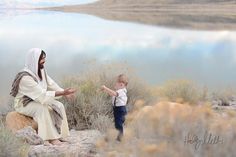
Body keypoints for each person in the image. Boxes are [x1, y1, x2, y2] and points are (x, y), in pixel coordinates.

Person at [10, 48, 76, 145]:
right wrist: (62, 93)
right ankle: (49, 138)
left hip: (37, 99)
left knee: (59, 105)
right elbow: (41, 94)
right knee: (42, 109)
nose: (44, 61)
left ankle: (61, 135)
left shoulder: (40, 70)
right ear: (34, 60)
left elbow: (51, 84)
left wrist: (64, 92)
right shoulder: (25, 77)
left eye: (44, 58)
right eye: (42, 59)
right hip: (23, 103)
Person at [101, 74, 128, 141]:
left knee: (119, 123)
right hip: (117, 109)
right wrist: (105, 90)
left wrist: (105, 88)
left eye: (116, 83)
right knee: (117, 123)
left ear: (121, 84)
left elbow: (114, 94)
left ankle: (120, 138)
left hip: (120, 109)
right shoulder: (119, 91)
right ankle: (118, 135)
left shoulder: (122, 91)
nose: (115, 84)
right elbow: (112, 94)